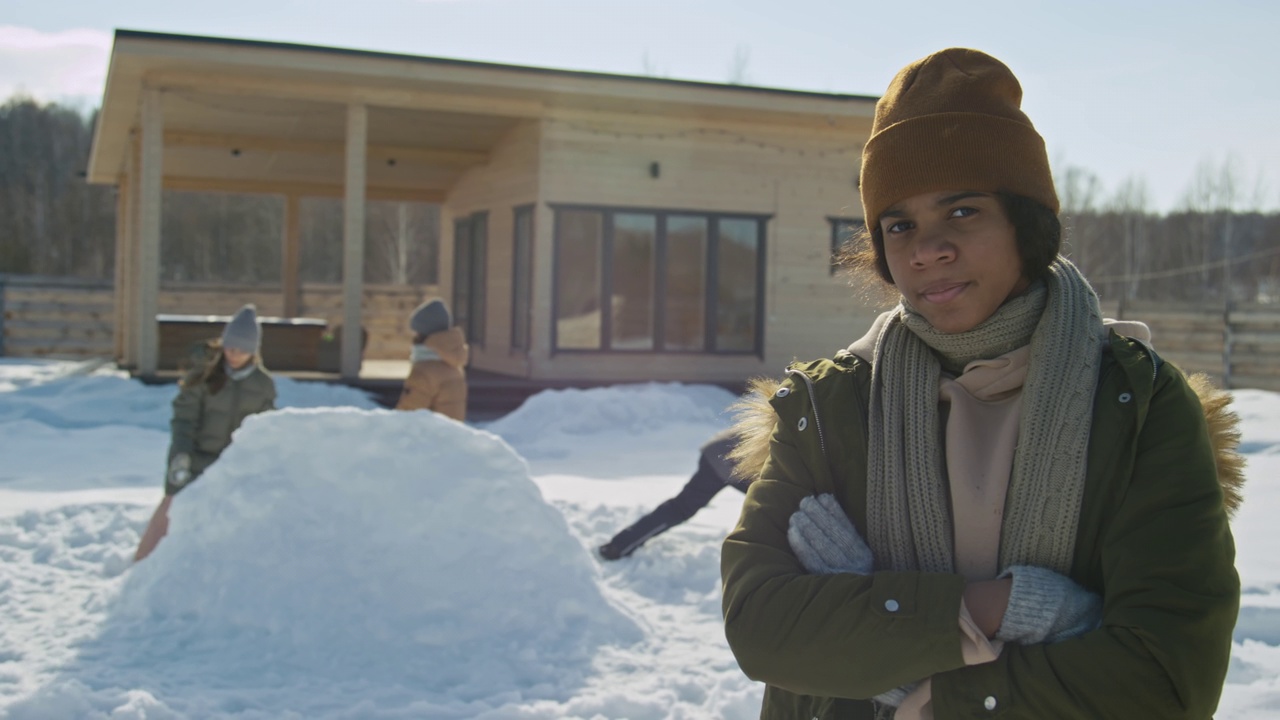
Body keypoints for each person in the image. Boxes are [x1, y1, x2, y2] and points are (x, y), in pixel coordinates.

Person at [720, 48, 1243, 719]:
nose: (925, 249)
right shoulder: (830, 405)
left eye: (962, 212)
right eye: (899, 223)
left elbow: (1165, 679)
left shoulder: (1139, 407)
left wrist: (907, 666)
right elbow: (761, 626)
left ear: (1026, 224)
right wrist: (999, 611)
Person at [134, 304, 278, 562]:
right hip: (195, 459)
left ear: (253, 351)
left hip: (233, 464)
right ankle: (143, 562)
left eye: (242, 349)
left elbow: (265, 426)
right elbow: (184, 420)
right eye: (230, 347)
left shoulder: (262, 384)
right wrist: (181, 457)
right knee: (171, 509)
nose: (234, 354)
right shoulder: (204, 375)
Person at [598, 428, 748, 561]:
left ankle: (618, 545)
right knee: (682, 508)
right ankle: (618, 547)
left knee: (680, 507)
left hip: (723, 449)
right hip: (727, 457)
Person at [395, 298, 469, 421]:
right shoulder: (454, 366)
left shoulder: (424, 371)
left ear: (423, 335)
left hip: (426, 437)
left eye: (416, 332)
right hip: (450, 436)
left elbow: (407, 414)